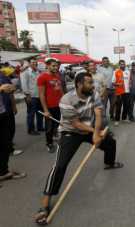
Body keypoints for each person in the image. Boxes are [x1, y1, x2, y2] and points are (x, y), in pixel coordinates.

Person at [34, 72, 123, 225]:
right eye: (89, 82)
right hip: (71, 132)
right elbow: (76, 124)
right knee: (60, 166)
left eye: (92, 82)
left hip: (89, 129)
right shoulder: (66, 100)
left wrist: (97, 133)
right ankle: (44, 204)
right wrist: (94, 133)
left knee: (110, 142)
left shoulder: (93, 94)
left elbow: (98, 113)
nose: (93, 85)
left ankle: (109, 163)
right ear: (79, 84)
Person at [0, 80, 26, 185]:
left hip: (2, 113)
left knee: (6, 145)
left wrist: (9, 88)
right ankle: (3, 172)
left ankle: (3, 171)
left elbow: (10, 88)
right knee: (3, 145)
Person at [38, 58, 64, 153]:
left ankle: (55, 137)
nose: (56, 67)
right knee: (49, 127)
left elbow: (60, 90)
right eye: (53, 65)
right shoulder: (42, 77)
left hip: (59, 105)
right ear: (47, 65)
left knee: (57, 124)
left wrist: (64, 101)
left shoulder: (57, 76)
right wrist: (45, 110)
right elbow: (41, 94)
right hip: (49, 106)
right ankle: (49, 143)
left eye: (56, 65)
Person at [21, 58, 44, 135]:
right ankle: (31, 130)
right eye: (33, 62)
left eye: (36, 62)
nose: (35, 64)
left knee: (40, 113)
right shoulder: (25, 72)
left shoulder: (38, 72)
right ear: (29, 64)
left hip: (39, 96)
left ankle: (39, 127)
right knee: (31, 113)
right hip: (31, 96)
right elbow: (24, 85)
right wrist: (27, 95)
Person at [112, 60, 131, 126]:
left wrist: (130, 84)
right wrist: (118, 84)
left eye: (123, 64)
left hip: (127, 92)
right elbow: (113, 83)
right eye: (121, 64)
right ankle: (117, 120)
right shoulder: (116, 72)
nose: (122, 65)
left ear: (125, 64)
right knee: (118, 107)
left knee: (126, 106)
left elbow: (130, 80)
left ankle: (124, 118)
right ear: (119, 65)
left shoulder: (128, 72)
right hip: (119, 92)